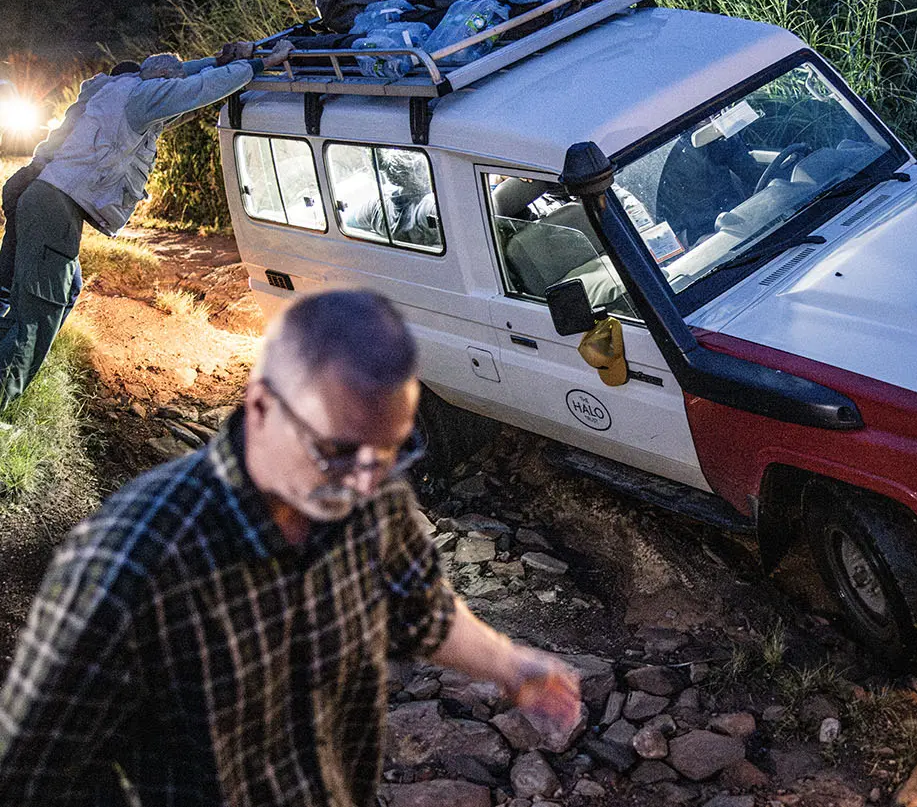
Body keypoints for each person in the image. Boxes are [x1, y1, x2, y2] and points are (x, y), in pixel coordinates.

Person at [0, 288, 582, 806]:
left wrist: (512, 665)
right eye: (335, 452)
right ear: (260, 406)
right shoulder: (125, 566)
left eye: (388, 454)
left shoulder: (370, 496)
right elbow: (29, 776)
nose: (362, 484)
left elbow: (420, 608)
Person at [0, 41, 293, 411]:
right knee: (39, 310)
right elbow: (198, 88)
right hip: (54, 205)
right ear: (160, 79)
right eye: (169, 83)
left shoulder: (117, 88)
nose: (171, 91)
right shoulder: (143, 98)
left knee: (50, 288)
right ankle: (4, 397)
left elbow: (183, 78)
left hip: (43, 196)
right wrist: (260, 64)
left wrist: (217, 61)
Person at [0, 61, 140, 322]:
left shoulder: (97, 93)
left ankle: (17, 337)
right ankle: (14, 339)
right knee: (11, 283)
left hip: (27, 183)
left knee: (62, 285)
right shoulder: (107, 108)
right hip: (36, 187)